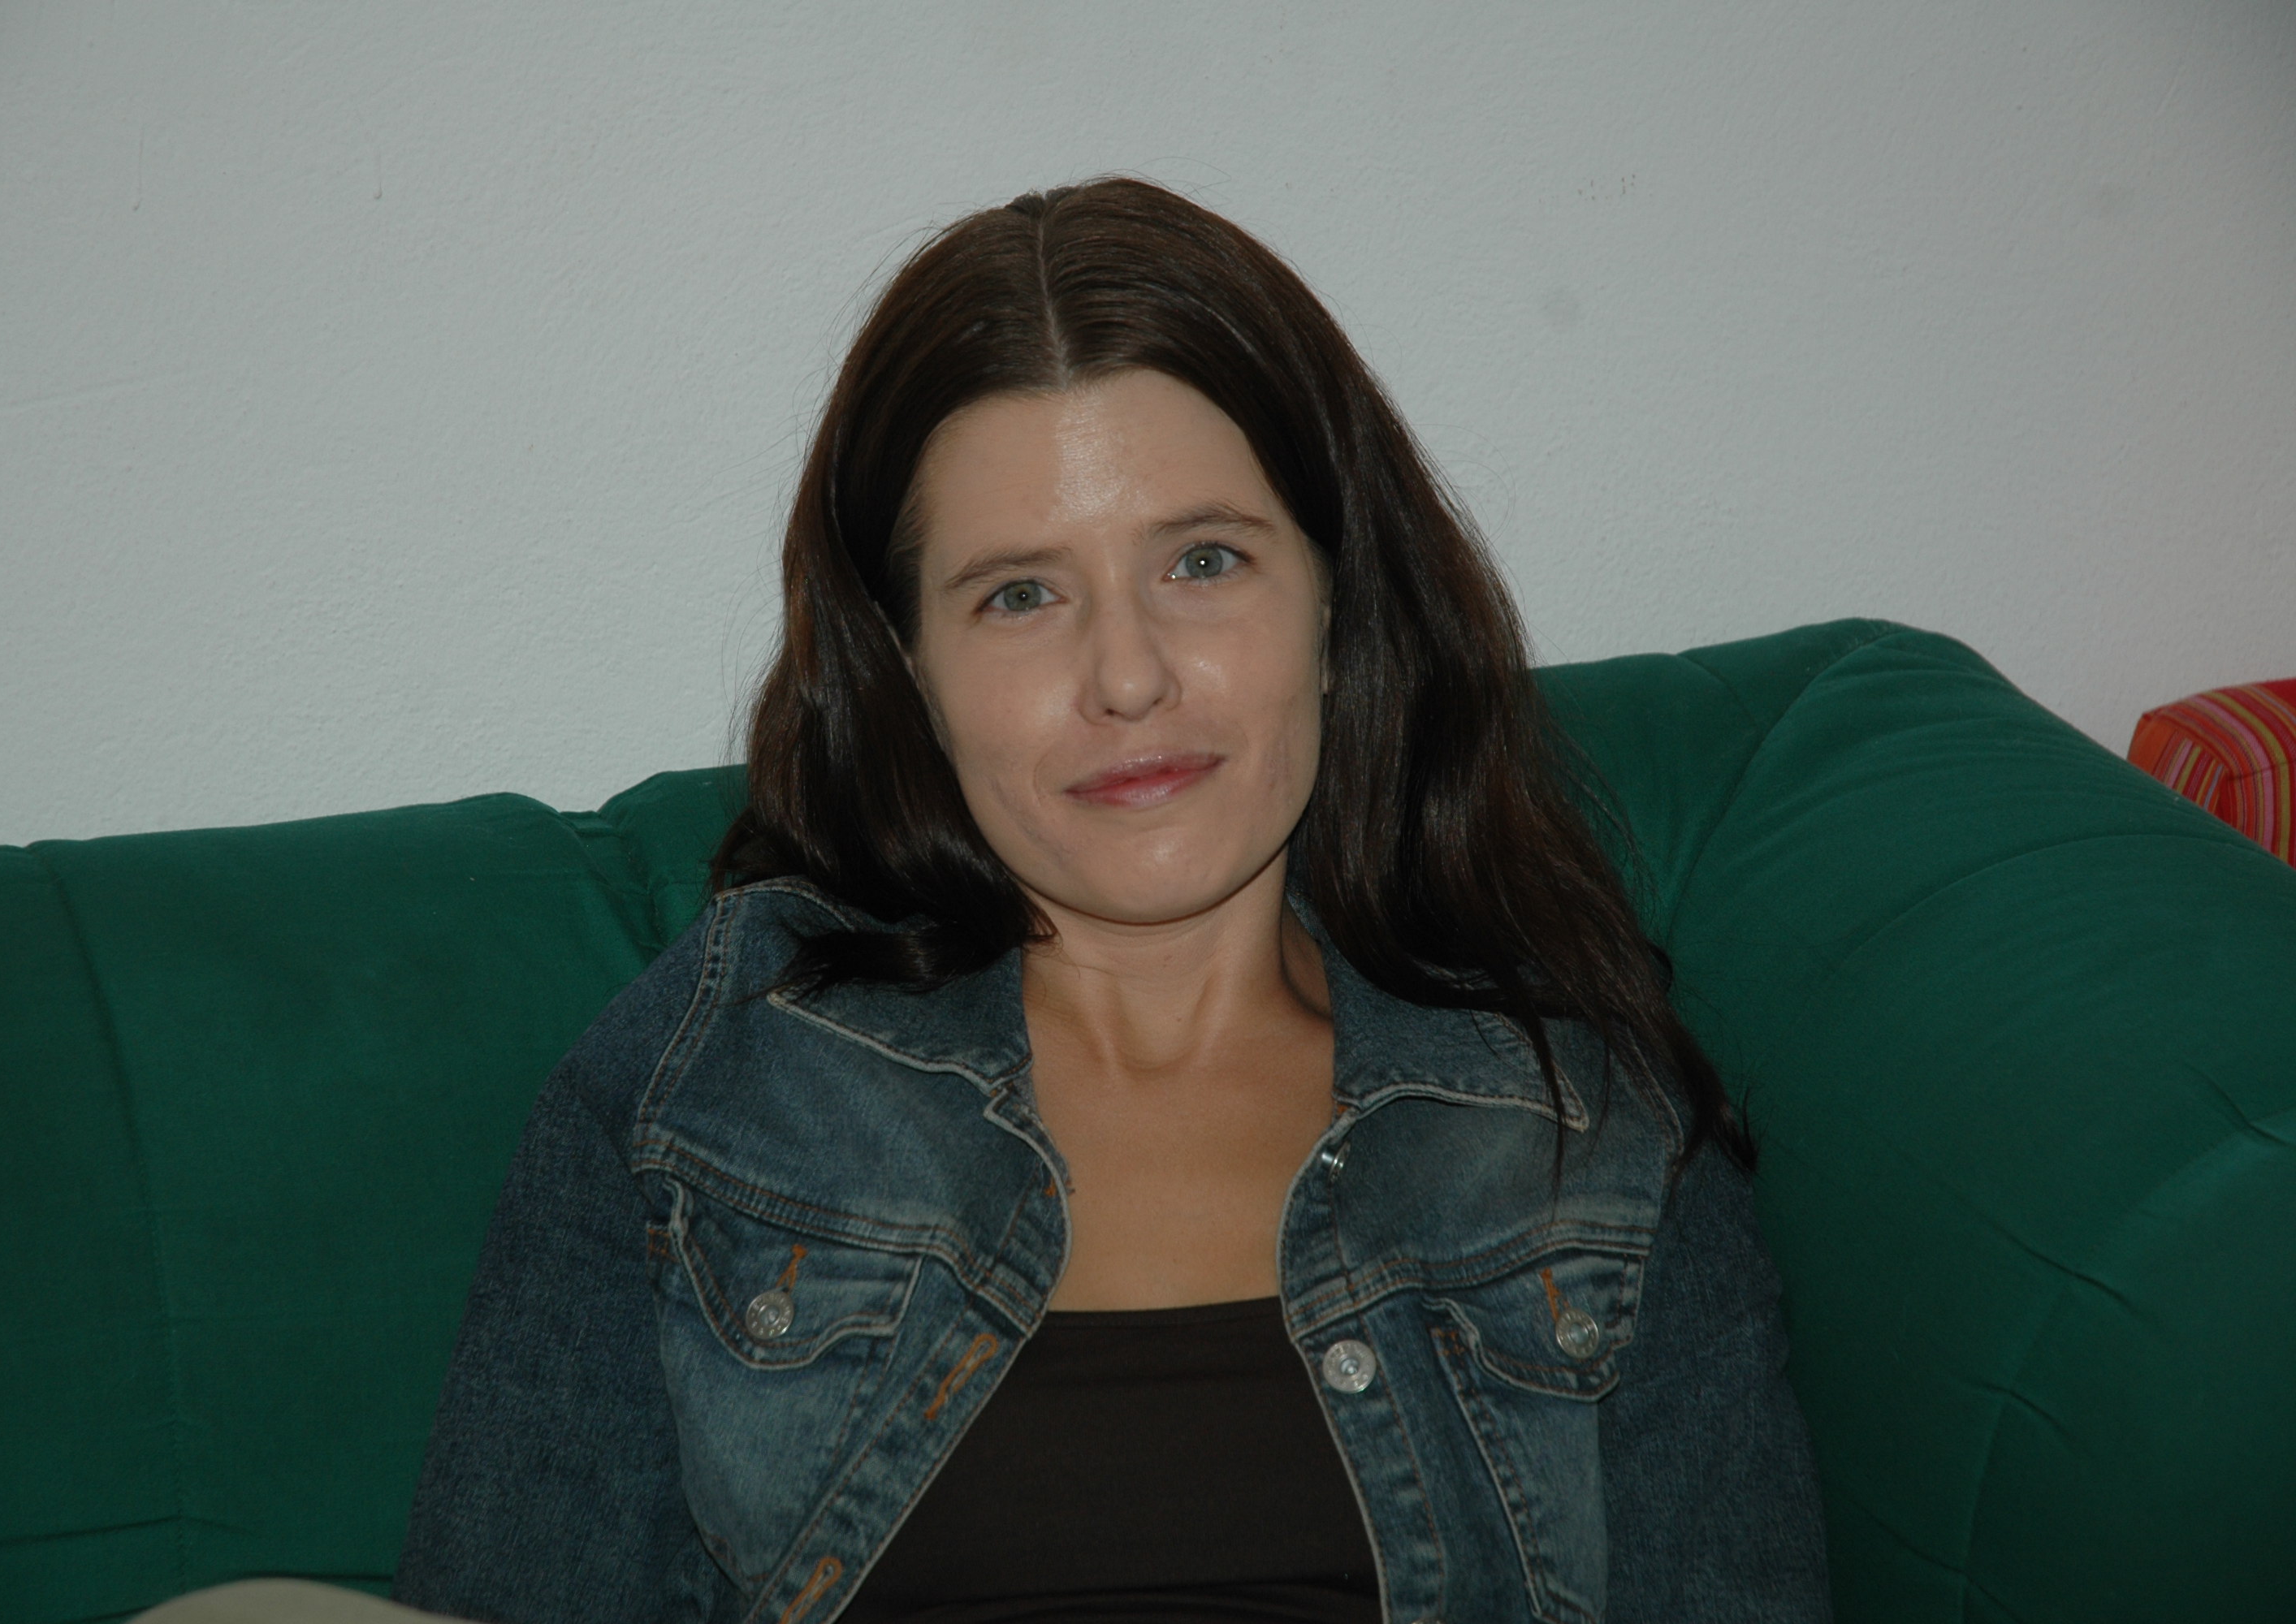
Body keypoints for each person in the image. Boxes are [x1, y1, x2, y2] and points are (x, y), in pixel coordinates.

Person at [391, 178, 1831, 1624]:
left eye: (1204, 562)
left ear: (1338, 599)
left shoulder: (1590, 1129)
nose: (1128, 677)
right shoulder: (712, 1081)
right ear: (908, 667)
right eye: (1020, 594)